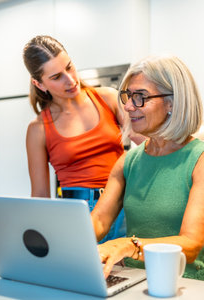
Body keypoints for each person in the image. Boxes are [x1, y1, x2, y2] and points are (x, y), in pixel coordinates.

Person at [91, 55, 204, 281]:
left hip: (186, 284)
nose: (128, 106)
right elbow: (100, 221)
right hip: (135, 280)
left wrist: (129, 246)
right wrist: (61, 241)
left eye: (140, 97)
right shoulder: (127, 161)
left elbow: (190, 245)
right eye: (128, 96)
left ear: (172, 102)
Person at [23, 35, 143, 242]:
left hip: (125, 203)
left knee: (131, 272)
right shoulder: (38, 129)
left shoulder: (107, 98)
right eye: (56, 77)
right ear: (39, 84)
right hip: (77, 214)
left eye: (69, 67)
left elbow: (149, 142)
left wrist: (187, 150)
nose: (70, 80)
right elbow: (40, 195)